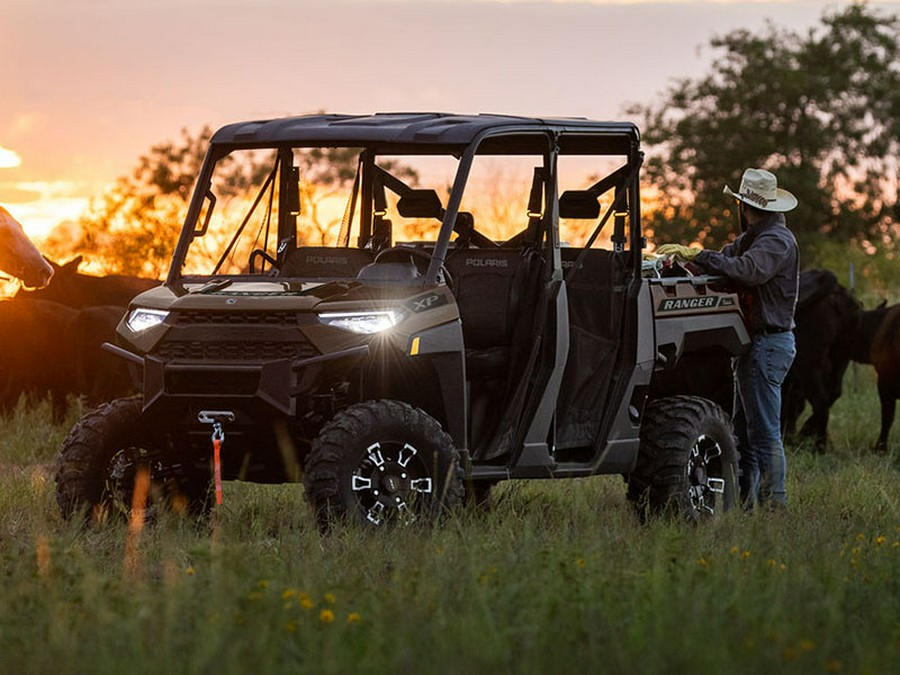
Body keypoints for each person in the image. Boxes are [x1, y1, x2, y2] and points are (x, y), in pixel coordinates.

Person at [657, 168, 799, 510]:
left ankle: (773, 504)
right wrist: (684, 263)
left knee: (763, 432)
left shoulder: (775, 241)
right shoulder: (755, 238)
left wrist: (699, 255)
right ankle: (747, 503)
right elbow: (724, 262)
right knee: (744, 430)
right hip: (759, 345)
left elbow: (748, 270)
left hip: (768, 343)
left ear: (745, 206)